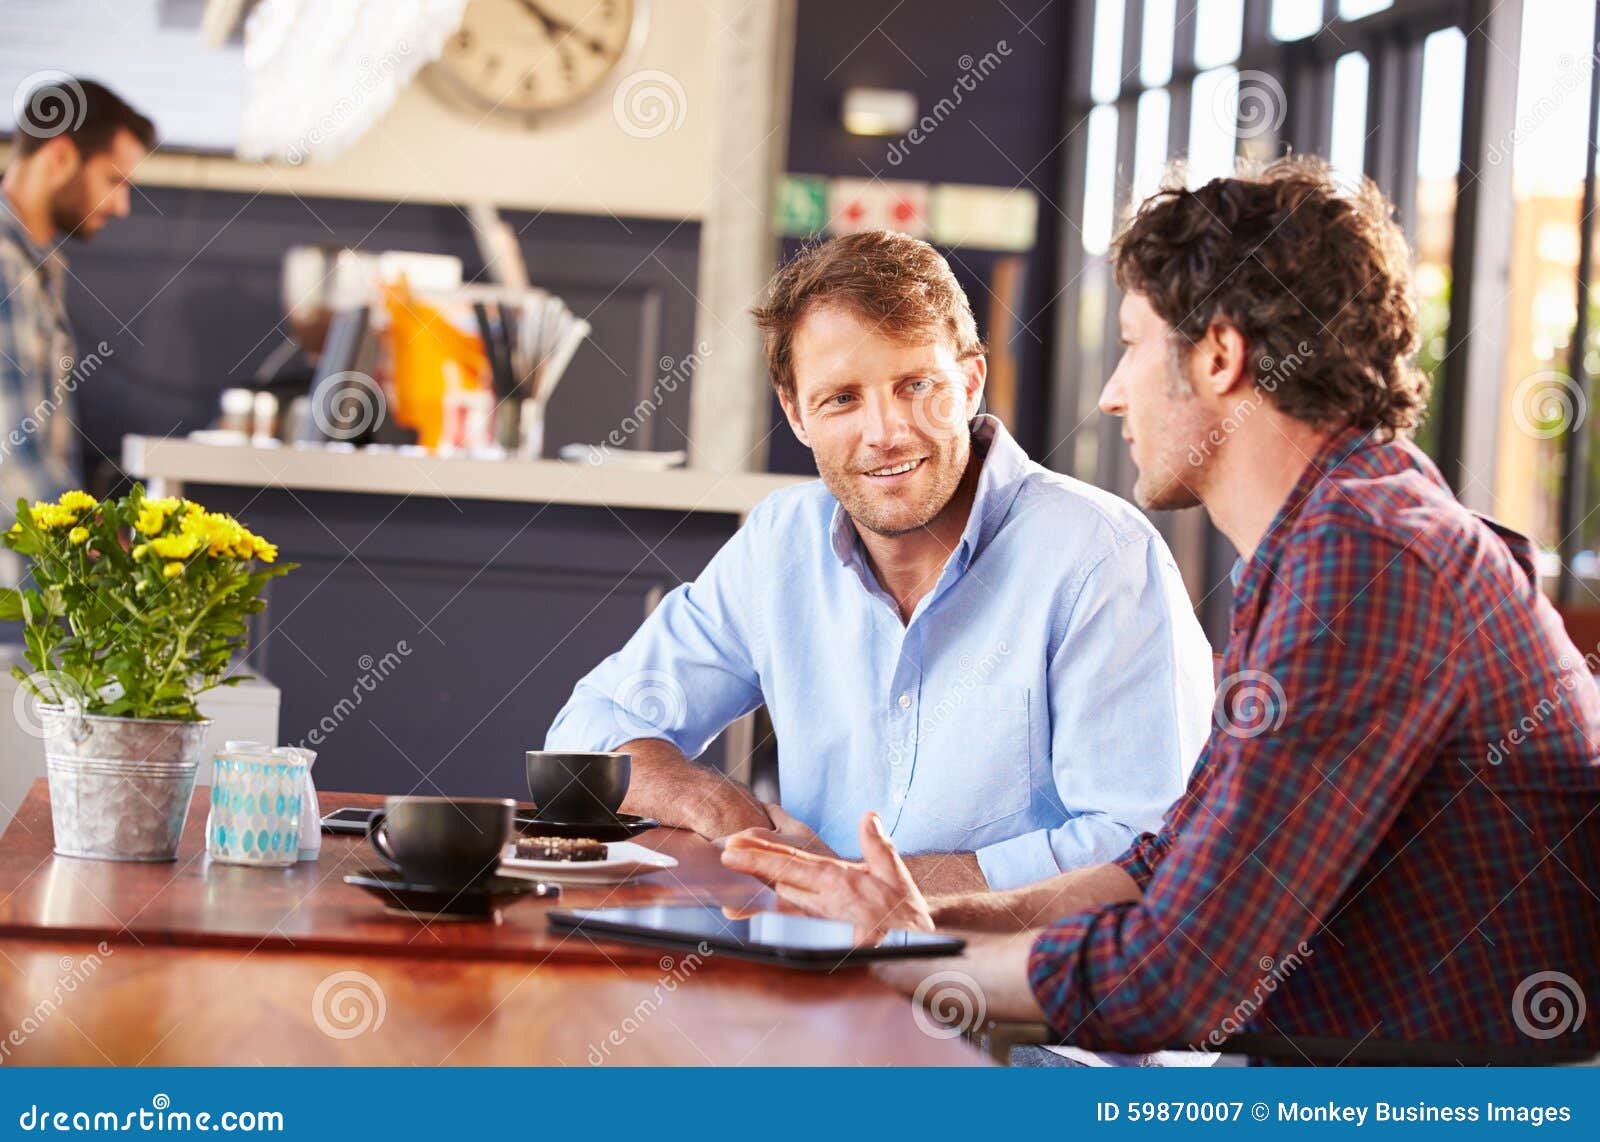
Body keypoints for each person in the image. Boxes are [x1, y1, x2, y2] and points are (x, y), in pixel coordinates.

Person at [722, 158, 1600, 1061]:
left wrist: (911, 965)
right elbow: (1161, 870)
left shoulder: (1366, 560)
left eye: (1135, 345)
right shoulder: (1338, 535)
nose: (1112, 392)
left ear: (1219, 356)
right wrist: (919, 922)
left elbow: (1176, 978)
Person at [547, 230, 1214, 893]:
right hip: (811, 967)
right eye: (842, 398)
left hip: (1010, 981)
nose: (885, 432)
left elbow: (1148, 842)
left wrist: (870, 885)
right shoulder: (782, 540)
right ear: (796, 412)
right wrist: (721, 810)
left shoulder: (1102, 556)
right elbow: (592, 727)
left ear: (972, 380)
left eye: (916, 384)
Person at [1, 77, 154, 559]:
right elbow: (9, 461)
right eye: (114, 182)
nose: (122, 206)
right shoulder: (4, 264)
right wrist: (103, 550)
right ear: (61, 157)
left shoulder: (39, 268)